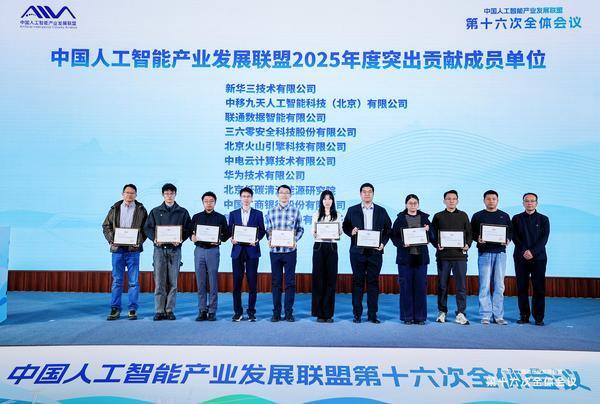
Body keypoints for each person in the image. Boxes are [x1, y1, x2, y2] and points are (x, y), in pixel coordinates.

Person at [342, 183, 392, 324]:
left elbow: (388, 229)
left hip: (375, 252)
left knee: (373, 283)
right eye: (364, 192)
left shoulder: (381, 211)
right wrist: (351, 231)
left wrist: (383, 243)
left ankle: (372, 315)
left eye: (370, 192)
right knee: (357, 282)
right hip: (357, 252)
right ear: (360, 194)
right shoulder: (352, 210)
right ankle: (357, 314)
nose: (367, 194)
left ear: (373, 194)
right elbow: (345, 226)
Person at [144, 183, 191, 321]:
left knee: (173, 282)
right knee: (159, 282)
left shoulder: (182, 212)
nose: (169, 196)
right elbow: (147, 228)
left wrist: (180, 239)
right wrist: (155, 239)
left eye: (171, 193)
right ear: (163, 195)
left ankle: (169, 310)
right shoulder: (155, 211)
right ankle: (159, 310)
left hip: (175, 250)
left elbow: (188, 229)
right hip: (159, 250)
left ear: (175, 194)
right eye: (166, 194)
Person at [102, 184, 148, 321]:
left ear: (136, 195)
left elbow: (146, 229)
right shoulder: (115, 208)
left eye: (132, 193)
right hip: (118, 250)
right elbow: (106, 226)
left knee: (133, 281)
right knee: (117, 281)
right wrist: (111, 240)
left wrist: (138, 241)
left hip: (133, 250)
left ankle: (132, 309)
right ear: (122, 194)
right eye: (127, 192)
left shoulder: (141, 209)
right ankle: (115, 308)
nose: (129, 195)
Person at [390, 194, 434, 325]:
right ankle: (407, 317)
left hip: (421, 259)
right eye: (410, 203)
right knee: (405, 288)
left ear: (418, 204)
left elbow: (432, 237)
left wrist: (428, 230)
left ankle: (420, 317)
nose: (413, 205)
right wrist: (402, 244)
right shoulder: (400, 219)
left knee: (421, 288)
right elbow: (394, 237)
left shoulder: (425, 219)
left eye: (415, 203)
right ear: (406, 205)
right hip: (405, 259)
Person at [431, 190, 472, 325]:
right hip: (443, 257)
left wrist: (467, 244)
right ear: (444, 201)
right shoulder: (438, 216)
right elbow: (432, 234)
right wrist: (436, 244)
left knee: (461, 286)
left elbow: (469, 233)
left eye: (454, 199)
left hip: (460, 257)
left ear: (457, 201)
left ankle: (461, 313)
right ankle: (442, 311)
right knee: (442, 285)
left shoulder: (463, 215)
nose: (451, 201)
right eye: (448, 199)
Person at [471, 190, 512, 325]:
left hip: (500, 253)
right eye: (488, 199)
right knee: (484, 285)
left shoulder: (504, 215)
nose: (491, 201)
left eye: (494, 199)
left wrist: (508, 239)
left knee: (499, 285)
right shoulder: (478, 216)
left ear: (497, 200)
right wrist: (477, 238)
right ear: (484, 200)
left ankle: (498, 315)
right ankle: (485, 315)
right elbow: (472, 233)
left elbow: (510, 232)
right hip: (484, 253)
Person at [264, 185, 304, 322]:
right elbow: (268, 230)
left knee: (290, 282)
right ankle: (276, 312)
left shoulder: (296, 211)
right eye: (281, 192)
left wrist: (294, 240)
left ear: (290, 195)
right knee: (276, 283)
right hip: (275, 252)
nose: (284, 195)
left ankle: (288, 313)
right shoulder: (271, 211)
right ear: (277, 195)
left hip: (290, 252)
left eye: (287, 193)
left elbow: (300, 229)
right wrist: (270, 239)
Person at [190, 191, 230, 321]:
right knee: (200, 281)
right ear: (203, 202)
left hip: (213, 251)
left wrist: (219, 240)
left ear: (215, 203)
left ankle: (212, 310)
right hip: (199, 250)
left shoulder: (220, 217)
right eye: (206, 201)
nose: (209, 203)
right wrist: (192, 237)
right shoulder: (196, 217)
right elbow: (190, 232)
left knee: (213, 281)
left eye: (211, 201)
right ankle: (202, 310)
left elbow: (226, 234)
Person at [512, 192, 550, 326]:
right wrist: (524, 251)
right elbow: (515, 237)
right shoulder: (516, 218)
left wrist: (532, 252)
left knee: (539, 288)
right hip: (520, 257)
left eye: (532, 201)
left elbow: (544, 239)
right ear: (523, 203)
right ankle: (524, 315)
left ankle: (539, 317)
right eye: (527, 201)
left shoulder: (544, 219)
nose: (529, 203)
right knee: (522, 287)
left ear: (536, 203)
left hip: (539, 258)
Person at [228, 187, 266, 322]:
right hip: (237, 251)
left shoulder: (258, 213)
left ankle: (251, 312)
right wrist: (232, 238)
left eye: (248, 196)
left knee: (252, 283)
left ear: (252, 198)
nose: (246, 199)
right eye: (243, 196)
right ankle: (238, 312)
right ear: (240, 198)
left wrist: (257, 239)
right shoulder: (233, 214)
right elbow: (230, 230)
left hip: (252, 250)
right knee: (236, 283)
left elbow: (262, 230)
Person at [311, 190, 343, 323]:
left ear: (333, 201)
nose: (327, 201)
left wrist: (337, 232)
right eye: (325, 199)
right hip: (319, 246)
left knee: (331, 279)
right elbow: (313, 232)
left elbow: (340, 232)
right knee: (318, 279)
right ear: (321, 201)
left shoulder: (338, 215)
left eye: (330, 198)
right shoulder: (316, 214)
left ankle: (328, 313)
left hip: (332, 246)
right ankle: (319, 313)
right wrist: (316, 232)